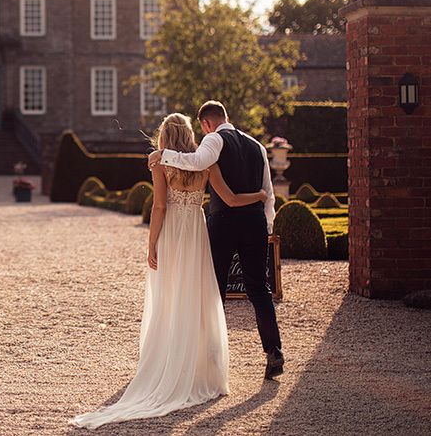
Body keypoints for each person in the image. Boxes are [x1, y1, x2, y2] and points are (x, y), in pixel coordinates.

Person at [70, 113, 266, 430]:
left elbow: (159, 207)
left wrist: (152, 245)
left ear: (164, 137)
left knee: (170, 296)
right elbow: (228, 198)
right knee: (196, 297)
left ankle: (170, 362)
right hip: (196, 232)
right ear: (189, 134)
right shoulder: (206, 162)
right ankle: (202, 368)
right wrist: (259, 196)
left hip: (174, 233)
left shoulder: (162, 164)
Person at [148, 100, 284, 380]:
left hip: (223, 223)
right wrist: (266, 225)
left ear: (207, 123)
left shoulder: (214, 140)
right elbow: (267, 191)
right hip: (255, 221)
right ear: (227, 116)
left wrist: (162, 154)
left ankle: (209, 356)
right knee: (260, 289)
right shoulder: (257, 146)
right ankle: (274, 351)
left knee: (214, 290)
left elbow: (196, 162)